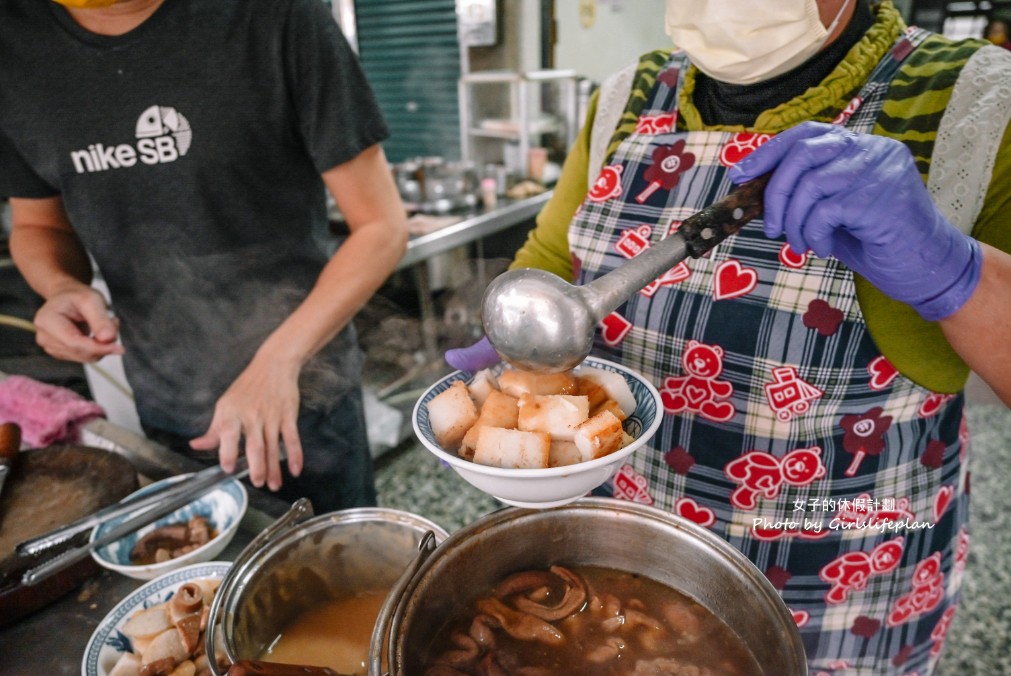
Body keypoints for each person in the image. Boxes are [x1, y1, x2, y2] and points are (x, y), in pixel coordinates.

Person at [448, 0, 1011, 672]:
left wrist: (953, 270)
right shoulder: (626, 96)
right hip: (627, 565)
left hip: (836, 585)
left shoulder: (977, 105)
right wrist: (515, 344)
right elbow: (551, 258)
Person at [0, 0, 408, 513]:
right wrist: (59, 286)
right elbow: (37, 224)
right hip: (166, 400)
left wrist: (277, 361)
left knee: (343, 573)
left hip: (304, 389)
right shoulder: (14, 44)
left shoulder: (276, 16)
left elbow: (381, 227)